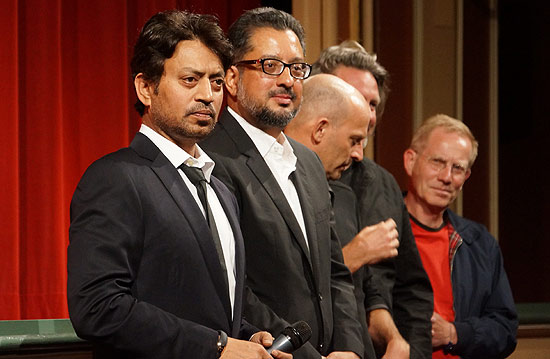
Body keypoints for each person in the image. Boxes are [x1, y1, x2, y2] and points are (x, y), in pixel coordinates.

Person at [67, 10, 291, 359]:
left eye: (217, 82)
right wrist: (217, 347)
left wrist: (247, 337)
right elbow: (97, 307)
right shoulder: (116, 178)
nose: (208, 95)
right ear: (145, 87)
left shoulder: (220, 189)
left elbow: (210, 305)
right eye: (190, 80)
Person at [201, 7, 364, 359]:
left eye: (296, 68)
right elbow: (233, 286)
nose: (288, 80)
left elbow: (335, 272)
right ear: (231, 78)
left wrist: (350, 347)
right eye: (270, 66)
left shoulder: (308, 162)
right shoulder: (212, 159)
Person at [314, 41, 433, 359]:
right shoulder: (293, 177)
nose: (366, 114)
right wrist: (354, 255)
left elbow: (411, 288)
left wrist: (409, 349)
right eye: (353, 97)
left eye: (372, 104)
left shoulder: (383, 184)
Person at [284, 73, 394, 359]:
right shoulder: (253, 182)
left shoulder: (339, 195)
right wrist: (355, 254)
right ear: (320, 130)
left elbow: (345, 287)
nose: (359, 154)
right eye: (355, 140)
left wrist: (351, 350)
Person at [403, 114, 518, 359]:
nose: (446, 177)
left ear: (465, 178)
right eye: (437, 162)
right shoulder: (381, 230)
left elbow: (505, 329)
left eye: (458, 168)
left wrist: (454, 333)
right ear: (410, 161)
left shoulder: (480, 243)